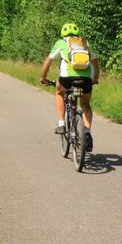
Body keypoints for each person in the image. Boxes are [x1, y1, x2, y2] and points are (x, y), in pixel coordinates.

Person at [39, 22, 100, 151]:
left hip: (67, 79)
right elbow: (95, 63)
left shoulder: (61, 43)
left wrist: (43, 78)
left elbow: (48, 61)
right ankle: (87, 132)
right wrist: (95, 79)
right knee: (85, 105)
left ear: (63, 33)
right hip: (86, 79)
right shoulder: (85, 43)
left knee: (59, 92)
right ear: (77, 33)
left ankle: (61, 124)